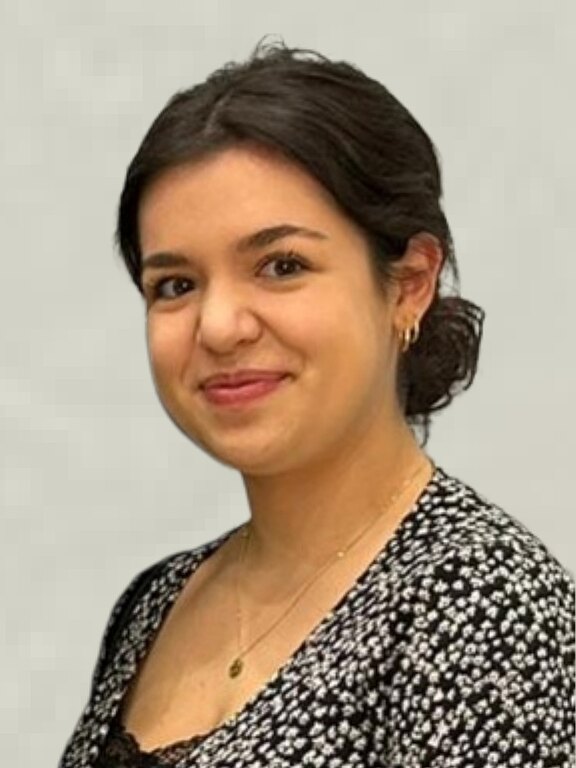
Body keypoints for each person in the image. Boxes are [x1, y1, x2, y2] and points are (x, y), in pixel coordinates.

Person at [59, 38, 575, 767]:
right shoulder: (155, 602)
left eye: (281, 265)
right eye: (176, 285)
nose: (219, 326)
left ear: (410, 284)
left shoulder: (484, 603)